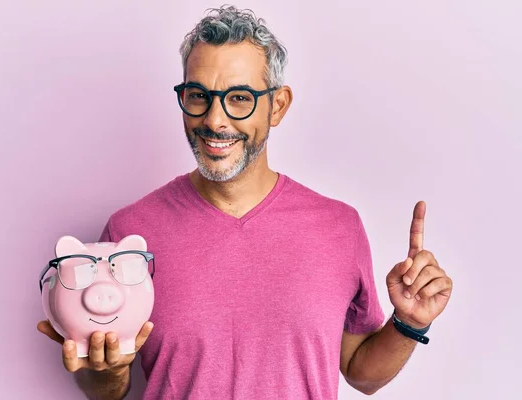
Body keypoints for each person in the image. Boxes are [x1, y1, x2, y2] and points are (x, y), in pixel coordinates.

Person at [37, 5, 453, 399]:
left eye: (239, 98)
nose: (214, 120)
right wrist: (105, 371)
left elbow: (361, 374)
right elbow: (107, 391)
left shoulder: (338, 227)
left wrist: (410, 323)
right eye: (198, 95)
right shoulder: (129, 233)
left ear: (278, 105)